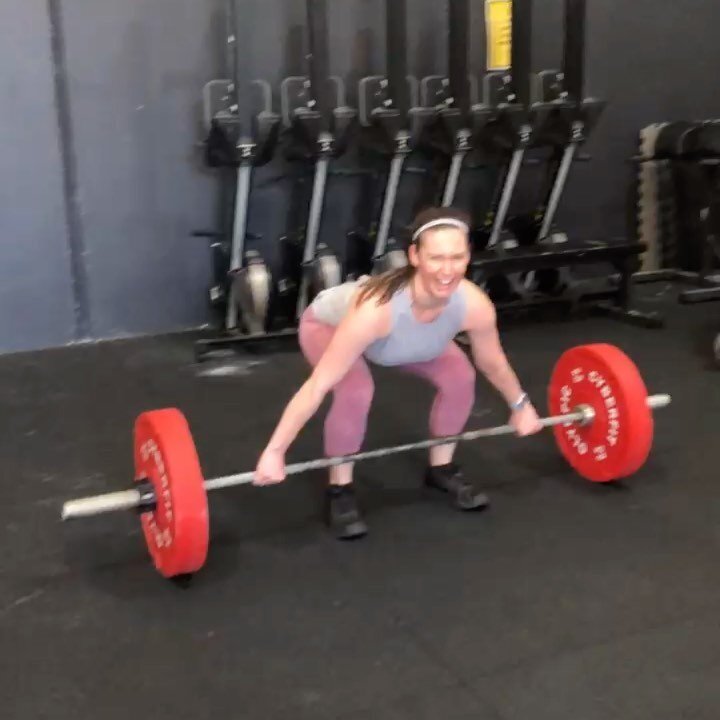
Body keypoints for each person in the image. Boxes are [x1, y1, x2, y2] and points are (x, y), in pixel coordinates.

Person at [253, 206, 543, 539]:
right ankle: (340, 489)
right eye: (436, 258)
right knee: (355, 390)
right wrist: (275, 452)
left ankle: (442, 468)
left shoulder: (474, 304)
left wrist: (521, 406)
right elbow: (318, 385)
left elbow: (492, 361)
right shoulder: (375, 310)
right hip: (329, 327)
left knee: (459, 376)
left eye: (457, 257)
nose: (447, 271)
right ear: (415, 256)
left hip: (401, 340)